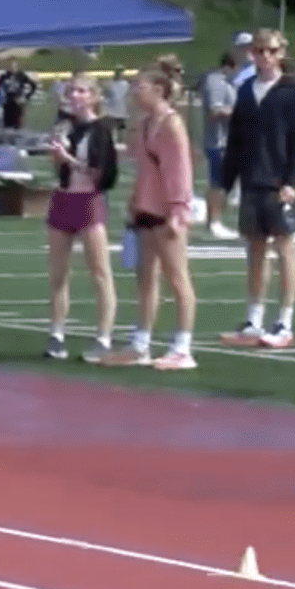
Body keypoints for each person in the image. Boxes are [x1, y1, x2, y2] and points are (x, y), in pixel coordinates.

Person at [217, 28, 295, 349]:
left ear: (281, 52)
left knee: (284, 248)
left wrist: (291, 182)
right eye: (258, 50)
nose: (263, 56)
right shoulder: (245, 92)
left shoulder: (291, 91)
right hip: (251, 181)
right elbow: (237, 144)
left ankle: (284, 321)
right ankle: (253, 319)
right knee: (255, 250)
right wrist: (224, 185)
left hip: (279, 184)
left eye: (269, 50)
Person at [104, 70, 197, 370]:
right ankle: (140, 344)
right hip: (146, 208)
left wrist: (178, 210)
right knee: (145, 277)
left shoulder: (172, 124)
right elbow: (143, 169)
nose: (134, 92)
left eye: (139, 86)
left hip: (167, 211)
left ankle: (182, 347)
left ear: (159, 89)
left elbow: (180, 171)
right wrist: (134, 201)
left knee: (177, 277)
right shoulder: (144, 126)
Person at [42, 82, 119, 362]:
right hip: (63, 200)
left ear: (94, 97)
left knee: (99, 272)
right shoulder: (65, 126)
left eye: (82, 91)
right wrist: (57, 157)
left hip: (88, 202)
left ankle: (103, 337)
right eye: (72, 90)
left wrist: (69, 160)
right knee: (58, 273)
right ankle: (56, 332)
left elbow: (100, 174)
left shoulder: (101, 130)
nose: (75, 96)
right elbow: (58, 164)